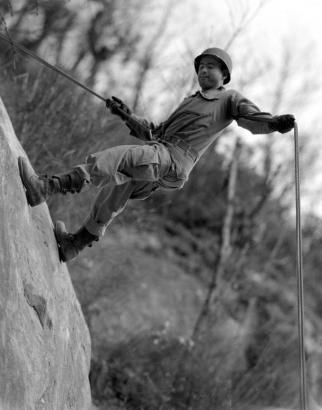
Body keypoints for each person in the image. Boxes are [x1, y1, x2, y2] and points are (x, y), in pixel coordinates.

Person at [18, 47, 295, 262]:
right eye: (200, 67)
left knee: (118, 159)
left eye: (211, 67)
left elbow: (253, 118)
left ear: (224, 75)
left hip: (174, 160)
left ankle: (46, 187)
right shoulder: (191, 101)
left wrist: (275, 123)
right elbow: (155, 132)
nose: (203, 71)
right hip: (161, 154)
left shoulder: (229, 99)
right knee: (114, 194)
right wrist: (126, 115)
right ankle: (73, 245)